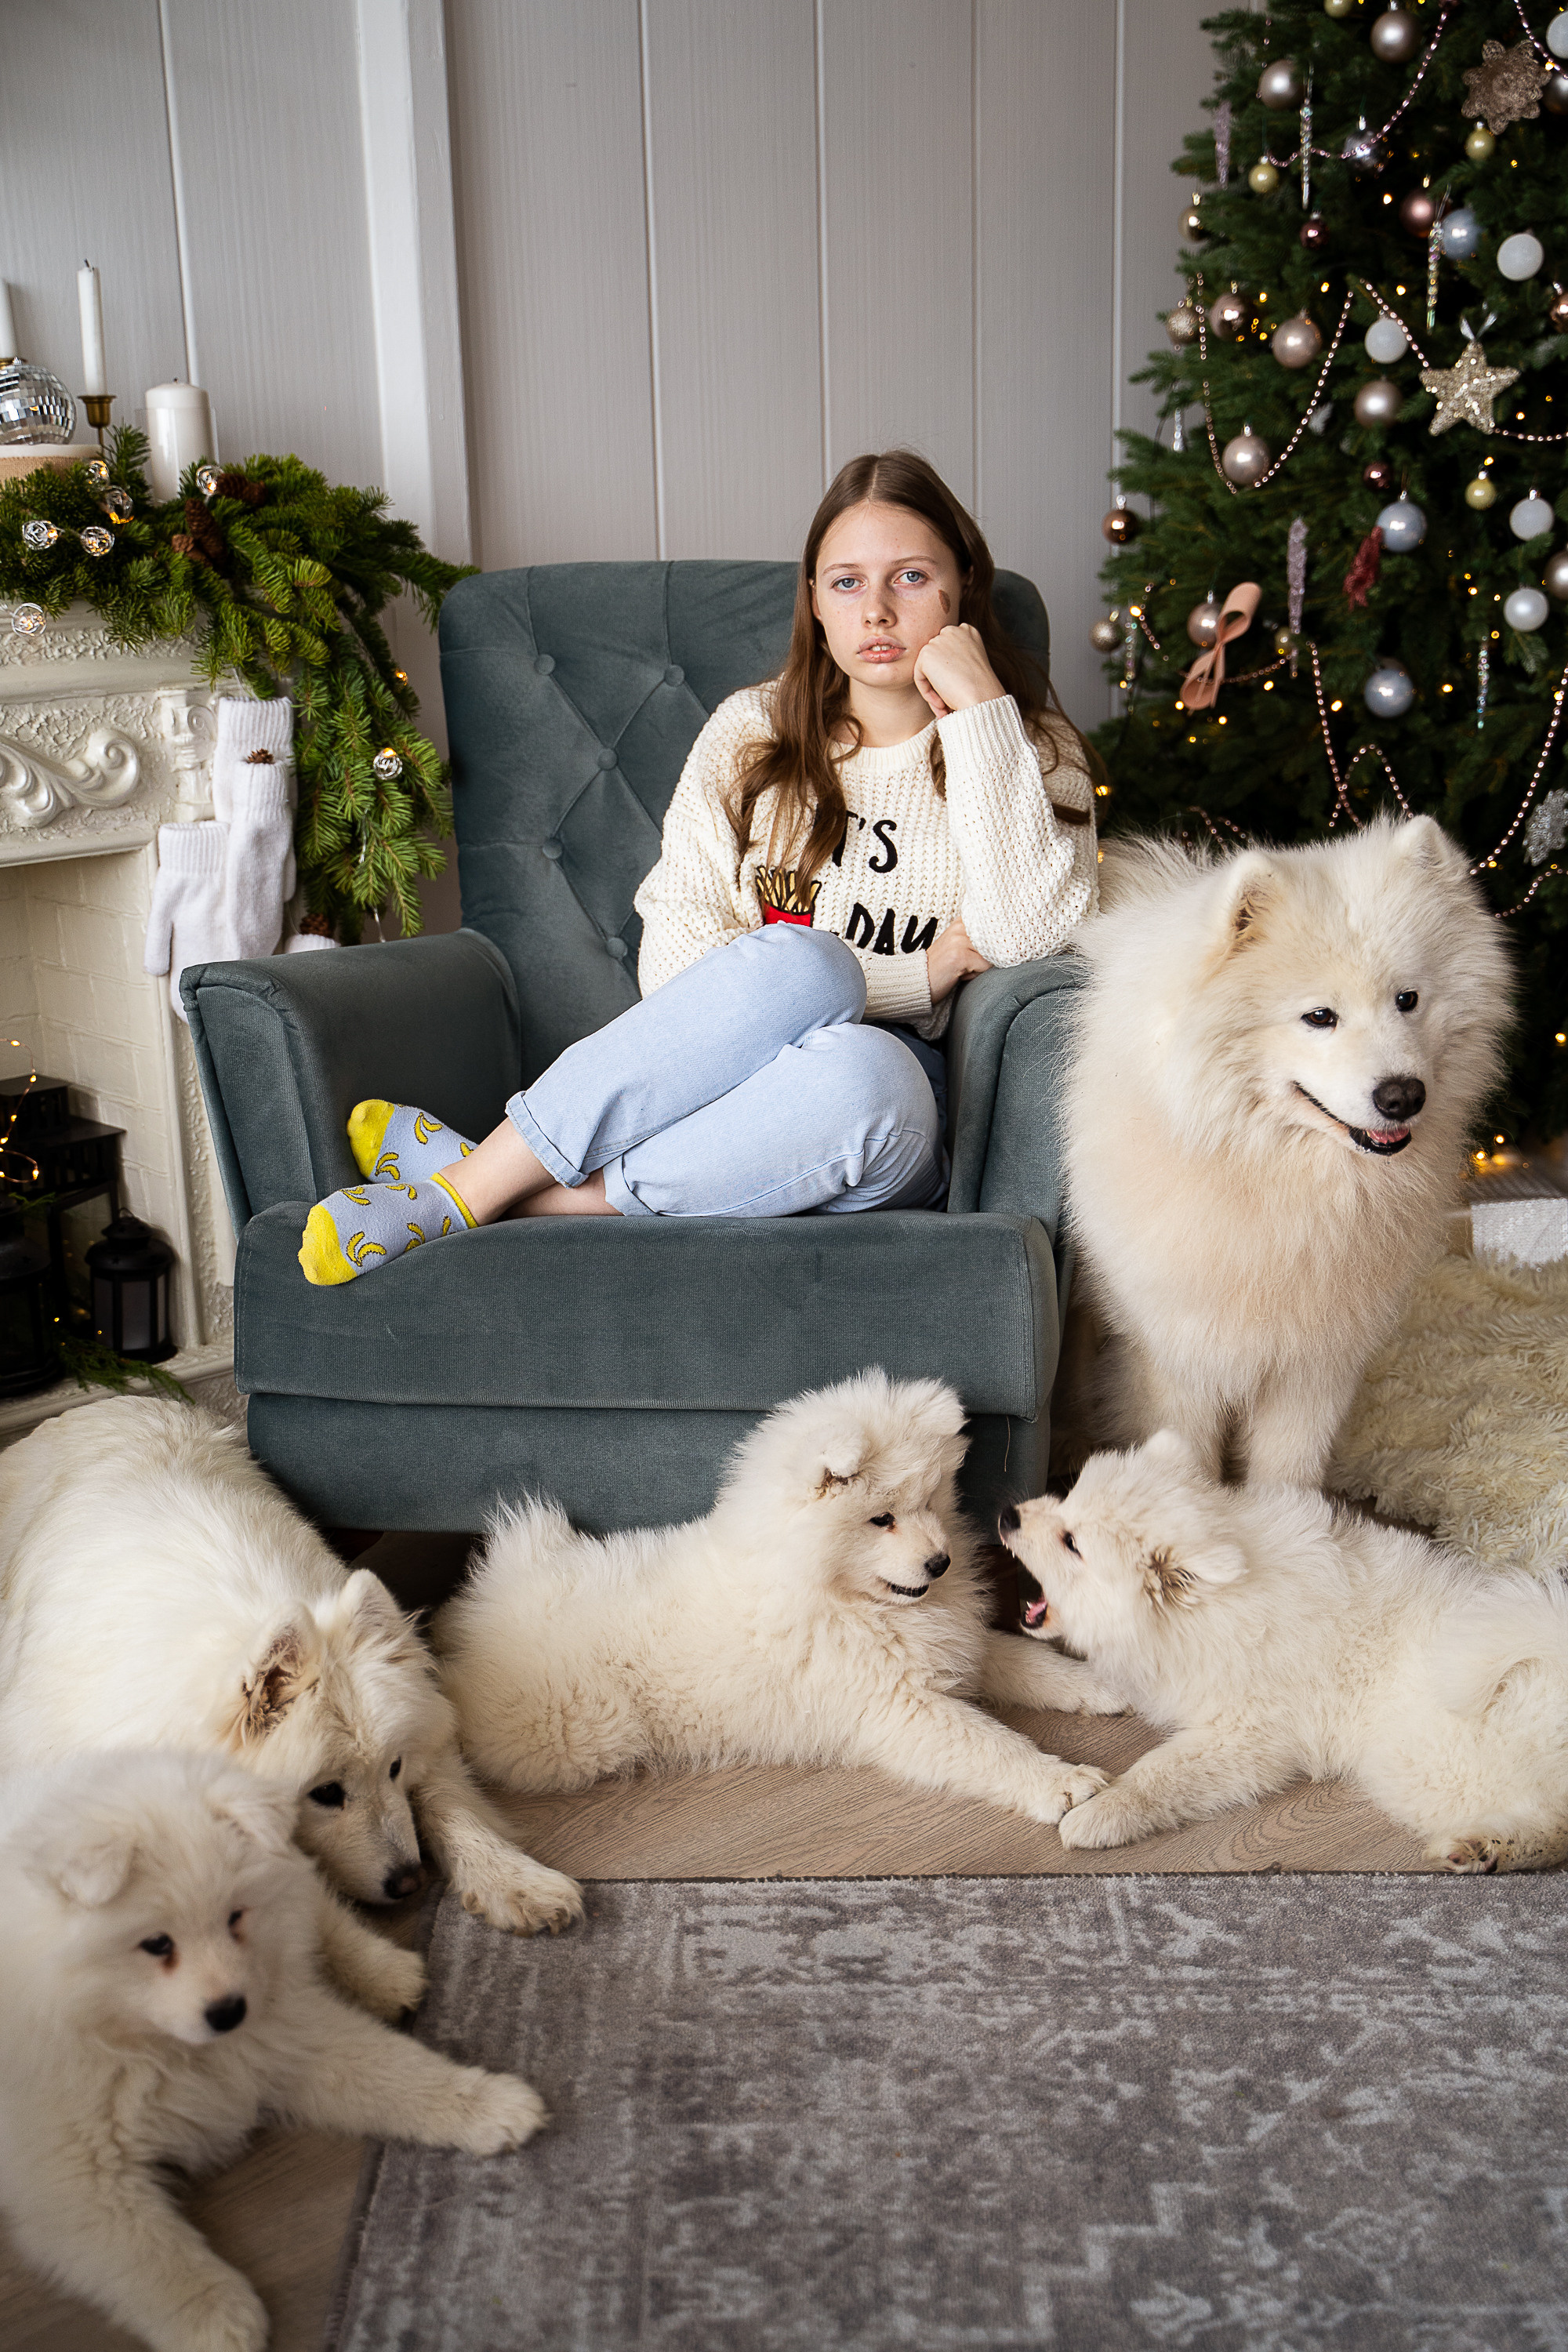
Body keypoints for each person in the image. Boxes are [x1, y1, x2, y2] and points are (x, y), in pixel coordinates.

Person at [299, 449, 1098, 1286]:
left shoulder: (1033, 750)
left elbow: (1027, 933)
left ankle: (491, 1184)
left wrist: (982, 715)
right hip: (714, 1090)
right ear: (815, 603)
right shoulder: (751, 732)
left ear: (962, 588)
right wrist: (908, 979)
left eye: (909, 576)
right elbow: (675, 963)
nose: (878, 612)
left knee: (871, 1070)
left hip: (878, 1120)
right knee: (802, 964)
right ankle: (466, 1193)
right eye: (846, 583)